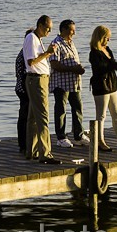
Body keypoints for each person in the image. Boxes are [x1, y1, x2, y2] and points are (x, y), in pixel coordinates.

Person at [88, 25, 117, 150]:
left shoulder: (107, 50)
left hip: (112, 85)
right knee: (101, 115)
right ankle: (100, 141)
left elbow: (112, 65)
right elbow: (102, 68)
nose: (108, 40)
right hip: (101, 86)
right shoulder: (94, 53)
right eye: (107, 38)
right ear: (101, 37)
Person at [21, 15, 59, 163]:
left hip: (38, 80)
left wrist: (47, 52)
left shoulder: (37, 39)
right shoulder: (31, 38)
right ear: (40, 25)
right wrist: (48, 53)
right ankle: (46, 153)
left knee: (33, 118)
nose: (49, 32)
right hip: (36, 80)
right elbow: (31, 62)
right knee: (43, 117)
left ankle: (32, 151)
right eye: (47, 28)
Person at [48, 19, 87, 147]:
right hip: (61, 83)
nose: (73, 33)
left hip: (74, 83)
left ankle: (78, 135)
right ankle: (61, 137)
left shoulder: (70, 42)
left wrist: (79, 69)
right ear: (63, 29)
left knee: (77, 108)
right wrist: (73, 69)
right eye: (71, 30)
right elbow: (54, 64)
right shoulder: (56, 43)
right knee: (61, 110)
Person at [14, 28, 32, 154]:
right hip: (25, 88)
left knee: (24, 116)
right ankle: (24, 143)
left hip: (22, 87)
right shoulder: (25, 55)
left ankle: (24, 143)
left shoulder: (23, 53)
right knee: (25, 116)